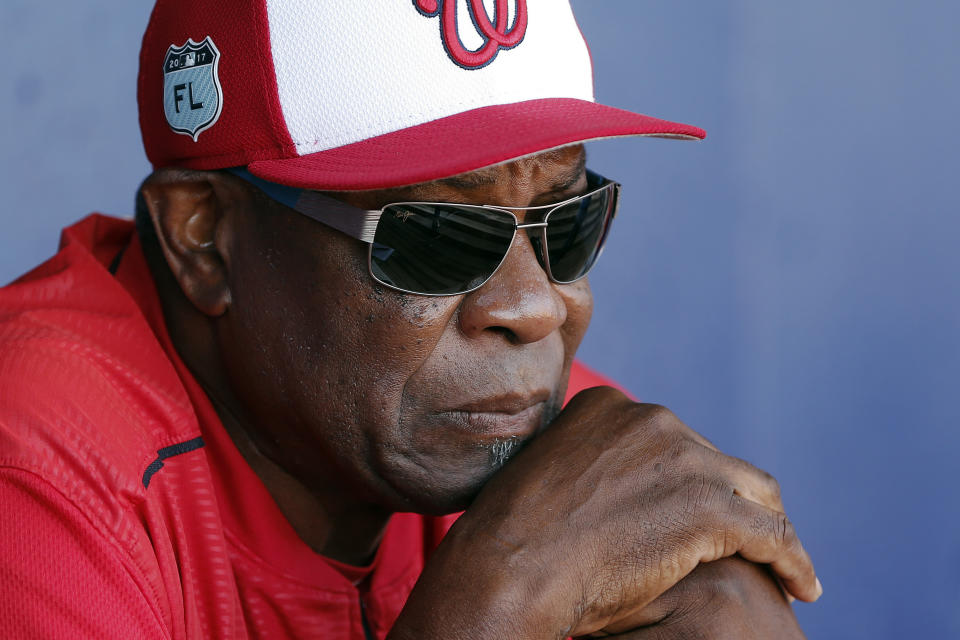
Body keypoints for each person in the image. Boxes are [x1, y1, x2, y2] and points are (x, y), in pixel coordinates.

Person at [0, 1, 820, 638]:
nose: (533, 307)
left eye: (565, 222)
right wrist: (502, 600)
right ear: (204, 240)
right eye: (436, 237)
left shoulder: (527, 441)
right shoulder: (34, 483)